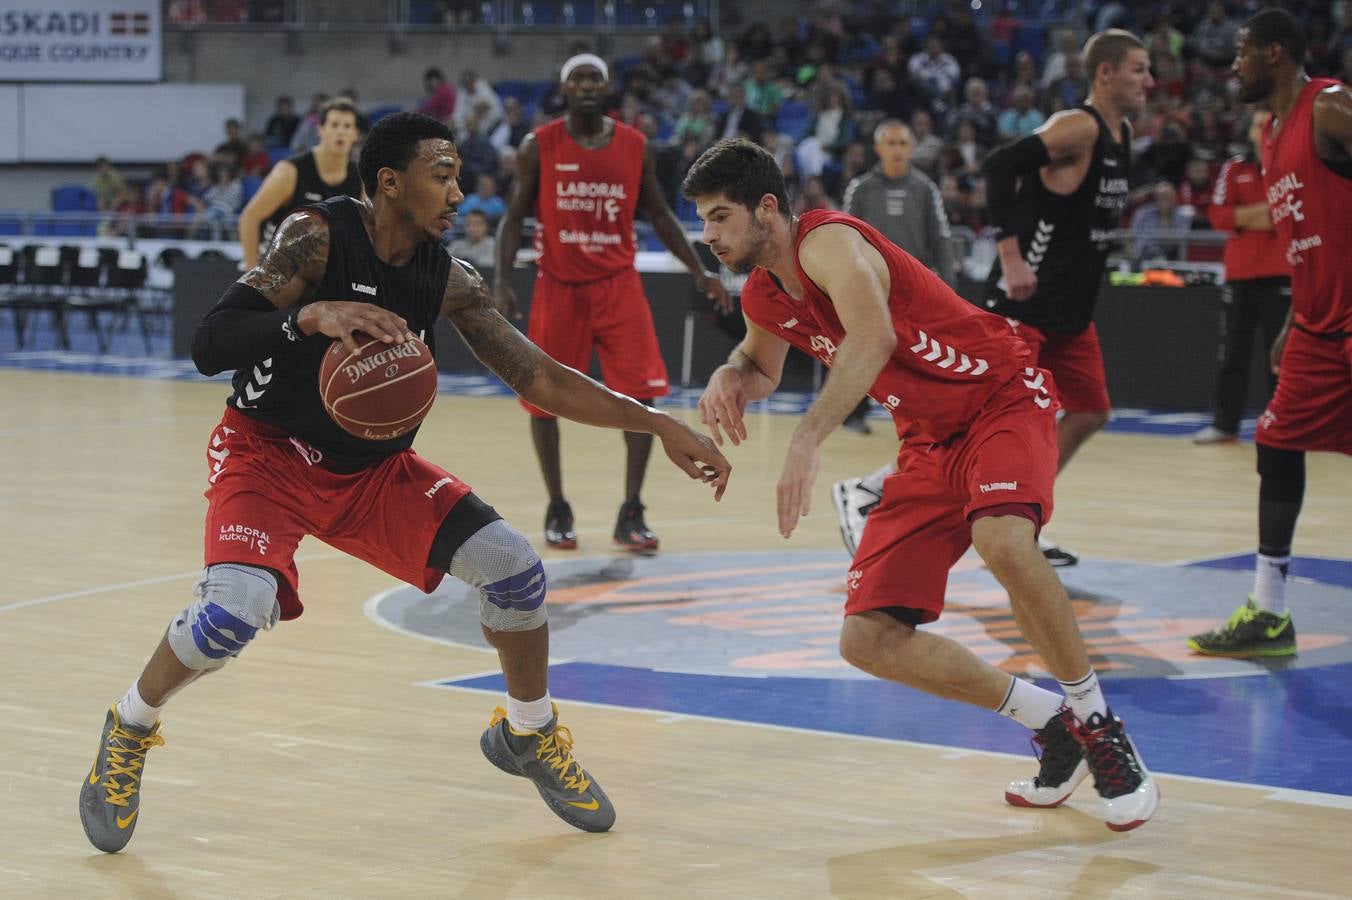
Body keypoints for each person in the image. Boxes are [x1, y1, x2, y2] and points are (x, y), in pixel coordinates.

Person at [77, 112, 731, 854]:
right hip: (269, 456)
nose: (461, 191)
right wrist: (307, 318)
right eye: (443, 174)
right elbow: (209, 343)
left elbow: (539, 375)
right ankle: (129, 725)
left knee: (513, 570)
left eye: (458, 175)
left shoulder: (448, 278)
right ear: (390, 183)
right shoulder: (314, 239)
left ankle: (527, 733)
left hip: (373, 474)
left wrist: (657, 422)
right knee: (234, 612)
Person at [684, 138, 1158, 832]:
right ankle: (1051, 723)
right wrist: (731, 373)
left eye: (720, 217)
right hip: (927, 439)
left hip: (1000, 396)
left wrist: (809, 437)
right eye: (702, 221)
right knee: (865, 640)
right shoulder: (762, 292)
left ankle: (1099, 724)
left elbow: (872, 338)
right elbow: (760, 366)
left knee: (1002, 538)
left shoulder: (829, 244)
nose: (710, 236)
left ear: (766, 210)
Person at [833, 30, 1151, 565]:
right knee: (974, 420)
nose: (1149, 80)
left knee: (1090, 411)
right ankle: (871, 490)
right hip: (1025, 306)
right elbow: (1000, 165)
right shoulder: (1079, 127)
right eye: (1139, 69)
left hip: (1071, 314)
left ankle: (1022, 517)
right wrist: (1009, 254)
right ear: (1105, 74)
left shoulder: (1121, 134)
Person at [495, 54, 731, 552]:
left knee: (641, 398)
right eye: (577, 78)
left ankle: (632, 508)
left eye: (594, 78)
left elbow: (662, 215)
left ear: (607, 88)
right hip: (558, 285)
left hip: (617, 285)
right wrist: (501, 280)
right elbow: (513, 217)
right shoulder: (538, 146)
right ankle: (557, 504)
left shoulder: (634, 146)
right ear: (564, 87)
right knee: (542, 398)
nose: (586, 85)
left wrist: (699, 269)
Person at [1189, 11, 1352, 657]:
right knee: (1276, 442)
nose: (1235, 65)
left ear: (1276, 53)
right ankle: (1272, 613)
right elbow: (1303, 240)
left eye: (1242, 52)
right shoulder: (1272, 133)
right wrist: (1290, 323)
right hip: (1315, 327)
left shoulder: (1330, 106)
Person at [836, 119, 958, 435]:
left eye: (903, 143)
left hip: (915, 285)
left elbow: (940, 238)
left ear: (912, 148)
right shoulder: (861, 188)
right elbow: (844, 238)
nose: (897, 149)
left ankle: (925, 415)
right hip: (869, 285)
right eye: (891, 143)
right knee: (863, 346)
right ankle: (853, 411)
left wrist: (950, 285)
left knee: (920, 351)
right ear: (878, 149)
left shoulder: (925, 189)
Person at [1193, 112, 1291, 445]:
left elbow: (1291, 217)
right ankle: (1225, 424)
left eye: (1269, 123)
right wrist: (1266, 213)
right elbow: (1218, 216)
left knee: (1278, 356)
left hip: (1281, 273)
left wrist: (1246, 217)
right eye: (1256, 123)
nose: (1262, 129)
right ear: (1249, 131)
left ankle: (1285, 426)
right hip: (1239, 275)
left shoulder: (1293, 167)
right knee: (1233, 352)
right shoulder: (1233, 168)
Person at [237, 99, 364, 271]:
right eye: (334, 125)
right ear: (320, 130)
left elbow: (367, 230)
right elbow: (249, 218)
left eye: (347, 126)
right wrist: (251, 273)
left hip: (324, 270)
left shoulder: (359, 178)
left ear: (355, 134)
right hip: (278, 267)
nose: (340, 131)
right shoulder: (289, 172)